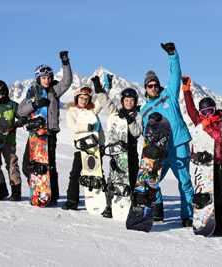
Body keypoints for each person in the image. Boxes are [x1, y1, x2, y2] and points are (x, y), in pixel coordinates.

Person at [140, 42, 193, 227]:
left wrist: (173, 55)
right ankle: (157, 210)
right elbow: (144, 134)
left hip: (178, 144)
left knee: (185, 182)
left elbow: (176, 75)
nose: (153, 88)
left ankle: (188, 216)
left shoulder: (169, 95)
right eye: (150, 86)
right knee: (150, 180)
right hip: (160, 151)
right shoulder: (144, 111)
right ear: (145, 88)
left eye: (155, 85)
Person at [18, 51, 73, 206]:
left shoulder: (55, 90)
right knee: (26, 165)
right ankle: (38, 191)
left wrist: (65, 62)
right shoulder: (32, 92)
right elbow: (20, 111)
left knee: (50, 165)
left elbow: (67, 81)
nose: (47, 80)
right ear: (38, 78)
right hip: (35, 134)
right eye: (43, 78)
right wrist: (34, 104)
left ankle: (52, 196)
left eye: (49, 77)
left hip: (49, 133)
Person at [181, 76, 222, 236]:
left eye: (210, 111)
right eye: (204, 113)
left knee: (217, 194)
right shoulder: (197, 121)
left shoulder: (218, 122)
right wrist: (186, 90)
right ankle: (203, 220)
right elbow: (190, 108)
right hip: (200, 164)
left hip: (215, 163)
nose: (207, 115)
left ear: (214, 110)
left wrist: (208, 126)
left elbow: (221, 137)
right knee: (202, 194)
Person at [95, 74, 143, 218]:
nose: (129, 103)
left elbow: (137, 132)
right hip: (118, 154)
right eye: (127, 100)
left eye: (132, 100)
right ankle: (110, 206)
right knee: (114, 180)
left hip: (131, 154)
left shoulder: (137, 116)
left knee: (132, 180)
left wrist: (129, 120)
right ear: (123, 101)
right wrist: (98, 89)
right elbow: (106, 103)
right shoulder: (116, 113)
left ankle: (132, 206)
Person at [61, 77, 105, 211]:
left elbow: (102, 101)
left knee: (97, 173)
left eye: (86, 99)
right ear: (76, 98)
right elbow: (73, 127)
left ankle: (100, 199)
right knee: (75, 173)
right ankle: (72, 200)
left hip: (96, 147)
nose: (84, 101)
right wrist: (89, 127)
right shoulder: (72, 112)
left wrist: (105, 88)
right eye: (82, 98)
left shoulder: (92, 110)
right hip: (81, 148)